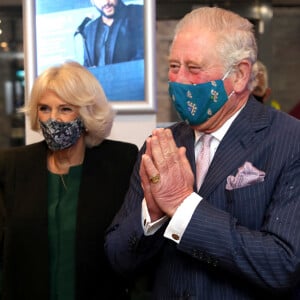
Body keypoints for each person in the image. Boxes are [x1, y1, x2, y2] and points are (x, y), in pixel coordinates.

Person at [104, 6, 300, 299]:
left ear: (240, 75)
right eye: (173, 66)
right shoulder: (161, 145)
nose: (179, 80)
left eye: (194, 68)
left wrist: (183, 208)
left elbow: (283, 265)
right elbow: (119, 259)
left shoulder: (290, 140)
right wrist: (153, 214)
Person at [0, 60, 139, 300]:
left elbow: (134, 246)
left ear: (87, 114)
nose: (53, 119)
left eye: (65, 109)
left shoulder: (120, 162)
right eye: (44, 108)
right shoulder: (13, 165)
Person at [78, 0, 144, 67]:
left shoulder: (138, 13)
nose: (106, 2)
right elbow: (87, 65)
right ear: (92, 2)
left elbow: (143, 55)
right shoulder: (89, 30)